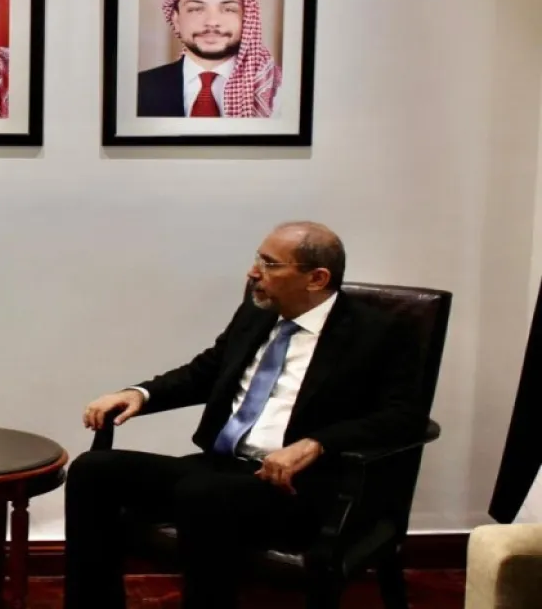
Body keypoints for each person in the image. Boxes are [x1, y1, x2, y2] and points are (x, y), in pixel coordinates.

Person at [63, 221, 426, 609]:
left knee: (202, 494)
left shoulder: (378, 332)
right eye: (258, 259)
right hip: (221, 469)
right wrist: (139, 394)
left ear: (316, 278)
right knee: (93, 471)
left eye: (270, 264)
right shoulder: (258, 313)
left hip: (300, 487)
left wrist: (316, 444)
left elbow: (404, 416)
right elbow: (206, 371)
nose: (253, 272)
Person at [136, 0, 281, 119]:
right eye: (196, 9)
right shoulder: (137, 87)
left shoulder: (279, 91)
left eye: (228, 9)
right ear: (176, 20)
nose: (212, 22)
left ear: (247, 20)